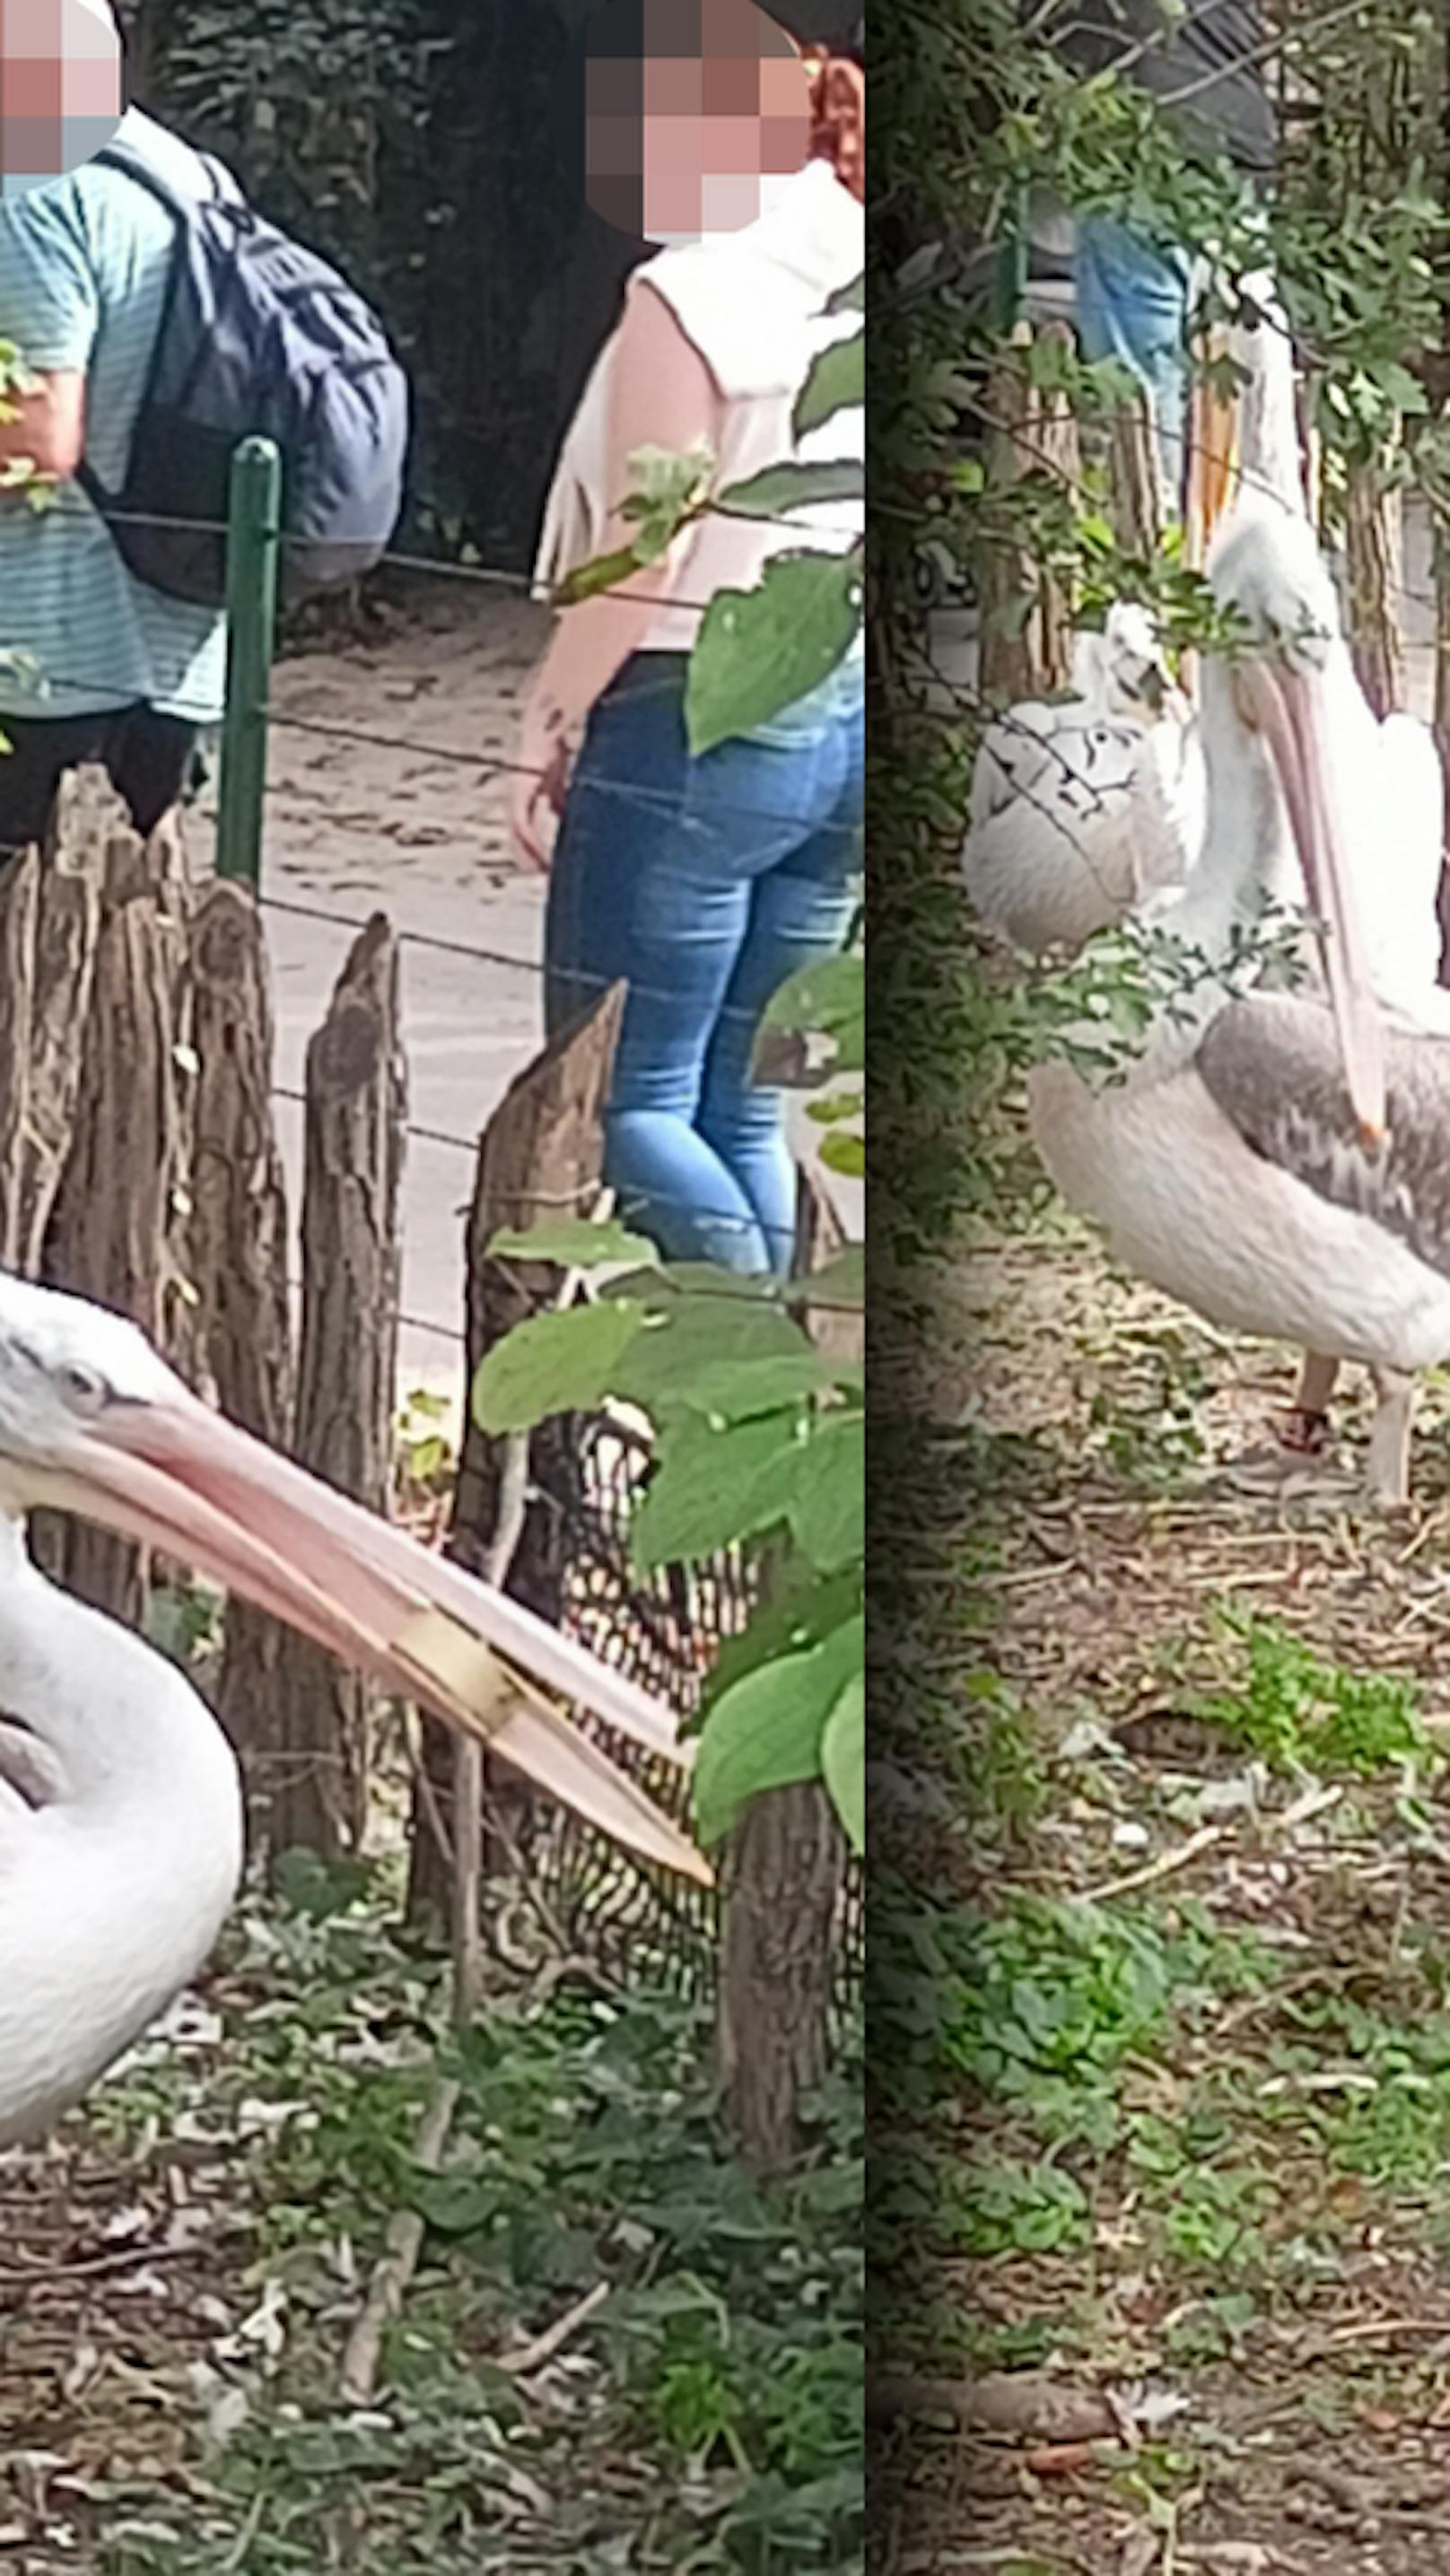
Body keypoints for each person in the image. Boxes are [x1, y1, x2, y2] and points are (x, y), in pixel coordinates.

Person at [513, 4, 865, 1279]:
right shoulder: (867, 255)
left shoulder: (690, 287)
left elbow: (645, 540)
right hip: (844, 711)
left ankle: (751, 1380)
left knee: (627, 1101)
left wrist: (547, 716)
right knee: (741, 1100)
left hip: (693, 716)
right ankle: (796, 1388)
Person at [0, 9, 234, 860]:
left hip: (45, 655)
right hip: (178, 639)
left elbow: (40, 437)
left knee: (39, 958)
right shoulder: (187, 173)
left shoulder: (31, 190)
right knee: (136, 935)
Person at [1032, 1, 1276, 510]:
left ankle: (1154, 542)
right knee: (1233, 369)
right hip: (1238, 139)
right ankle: (1229, 545)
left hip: (1139, 140)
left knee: (1140, 386)